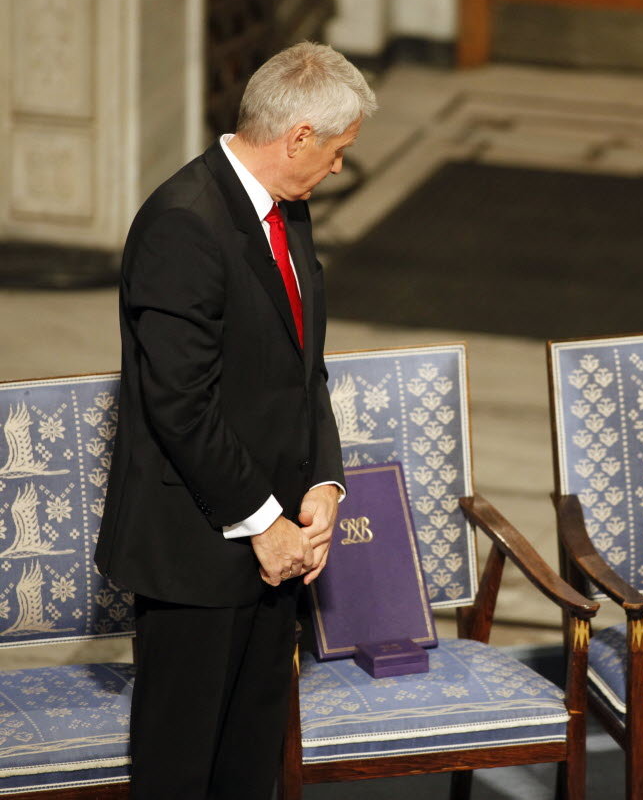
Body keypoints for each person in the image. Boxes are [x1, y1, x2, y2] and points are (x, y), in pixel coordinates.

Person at [95, 42, 377, 799]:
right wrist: (264, 522)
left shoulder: (287, 208)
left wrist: (324, 480)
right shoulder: (182, 224)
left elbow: (302, 363)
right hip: (196, 553)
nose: (340, 169)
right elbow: (179, 404)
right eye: (340, 153)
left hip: (278, 549)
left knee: (249, 768)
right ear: (299, 138)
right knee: (181, 772)